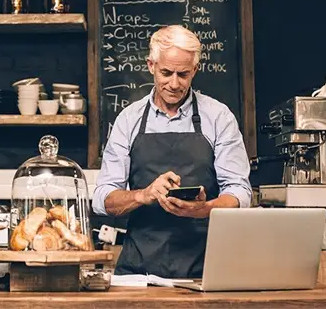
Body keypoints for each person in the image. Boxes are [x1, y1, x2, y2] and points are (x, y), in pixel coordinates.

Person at [92, 25, 252, 279]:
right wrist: (143, 195)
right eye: (166, 73)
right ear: (151, 65)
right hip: (138, 271)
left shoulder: (218, 117)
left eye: (183, 74)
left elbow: (239, 191)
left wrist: (205, 208)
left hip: (206, 268)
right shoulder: (129, 120)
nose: (174, 84)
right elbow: (103, 199)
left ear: (195, 70)